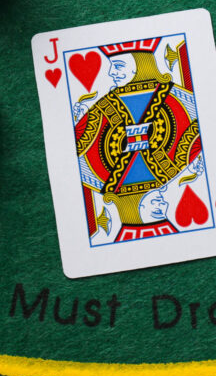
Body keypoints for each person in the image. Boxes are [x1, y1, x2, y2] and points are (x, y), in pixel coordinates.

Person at [72, 38, 201, 240]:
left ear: (137, 67)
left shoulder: (184, 106)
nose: (111, 73)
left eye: (118, 66)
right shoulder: (90, 133)